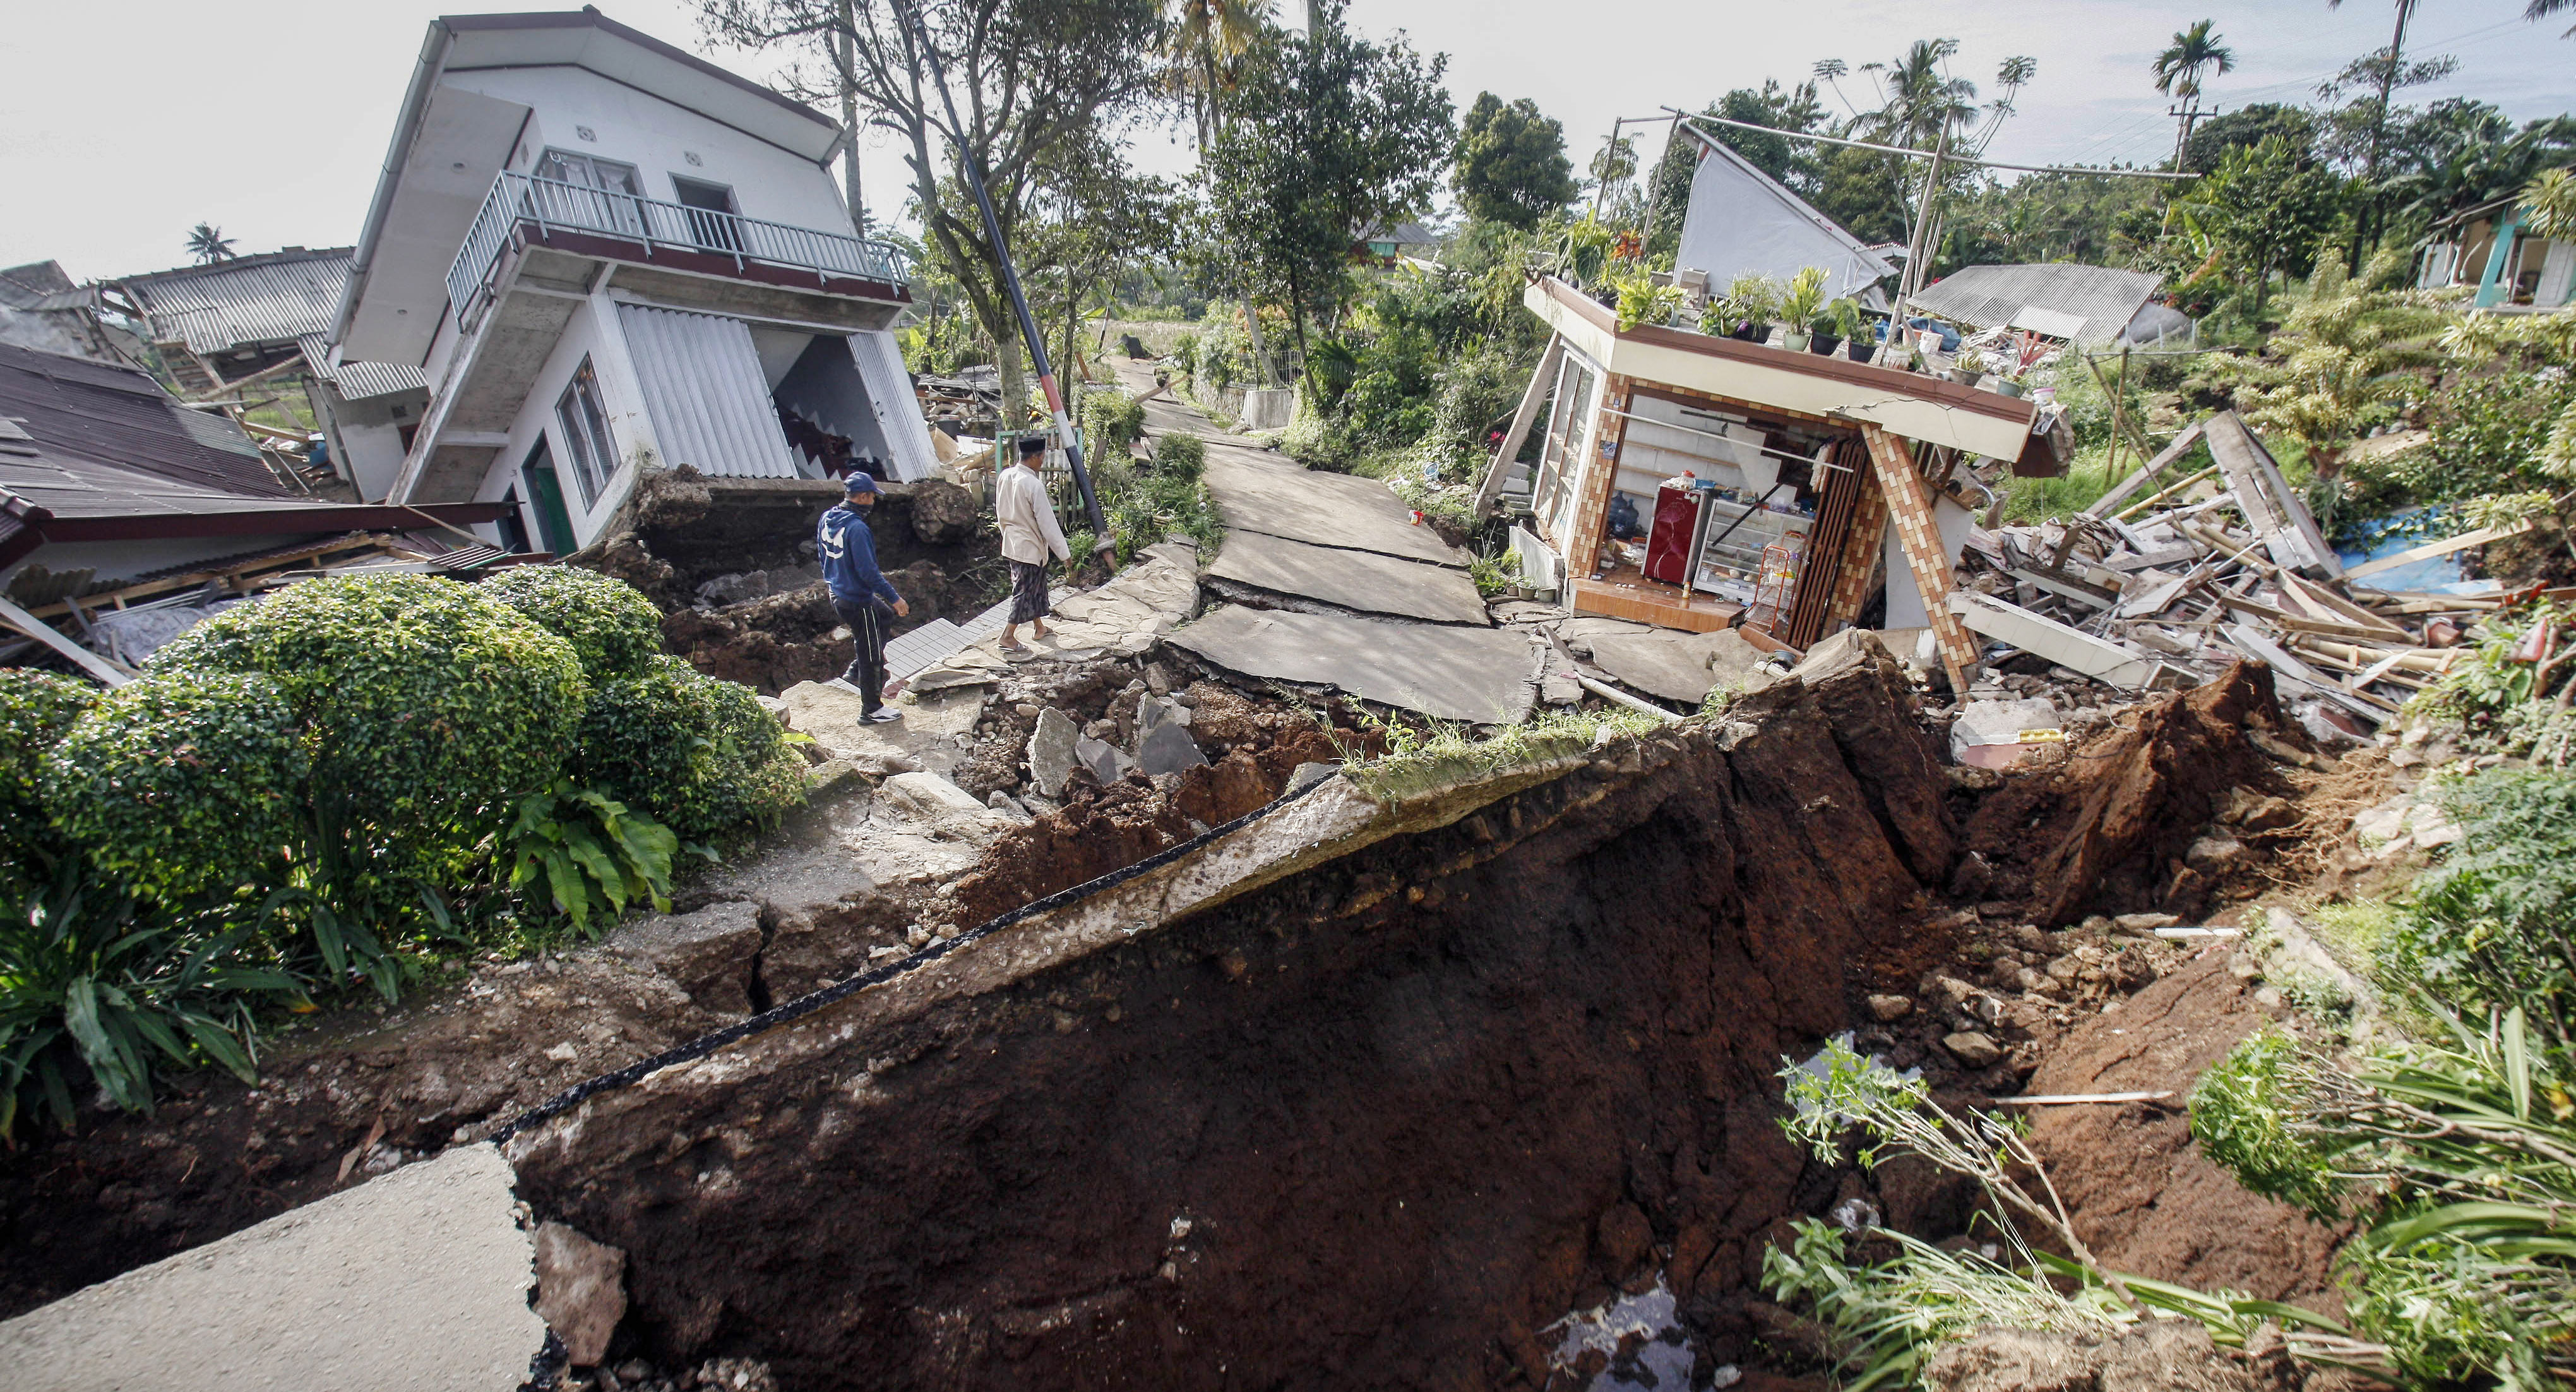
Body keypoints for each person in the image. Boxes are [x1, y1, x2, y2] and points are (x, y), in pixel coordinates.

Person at [816, 472, 907, 721]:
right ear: (865, 497)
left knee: (885, 616)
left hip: (839, 594)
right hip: (858, 601)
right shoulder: (857, 528)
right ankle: (871, 710)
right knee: (869, 653)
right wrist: (895, 598)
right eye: (873, 498)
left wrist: (833, 582)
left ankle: (856, 669)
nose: (874, 503)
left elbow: (822, 555)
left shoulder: (828, 518)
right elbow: (869, 573)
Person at [994, 435, 1071, 654]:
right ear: (1037, 457)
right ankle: (1008, 636)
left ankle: (1039, 628)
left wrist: (1006, 534)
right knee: (1024, 591)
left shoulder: (1005, 476)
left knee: (1035, 587)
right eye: (1043, 457)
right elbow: (1048, 524)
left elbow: (1000, 511)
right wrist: (1065, 554)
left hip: (1012, 543)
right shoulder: (1033, 485)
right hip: (1029, 546)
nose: (1044, 461)